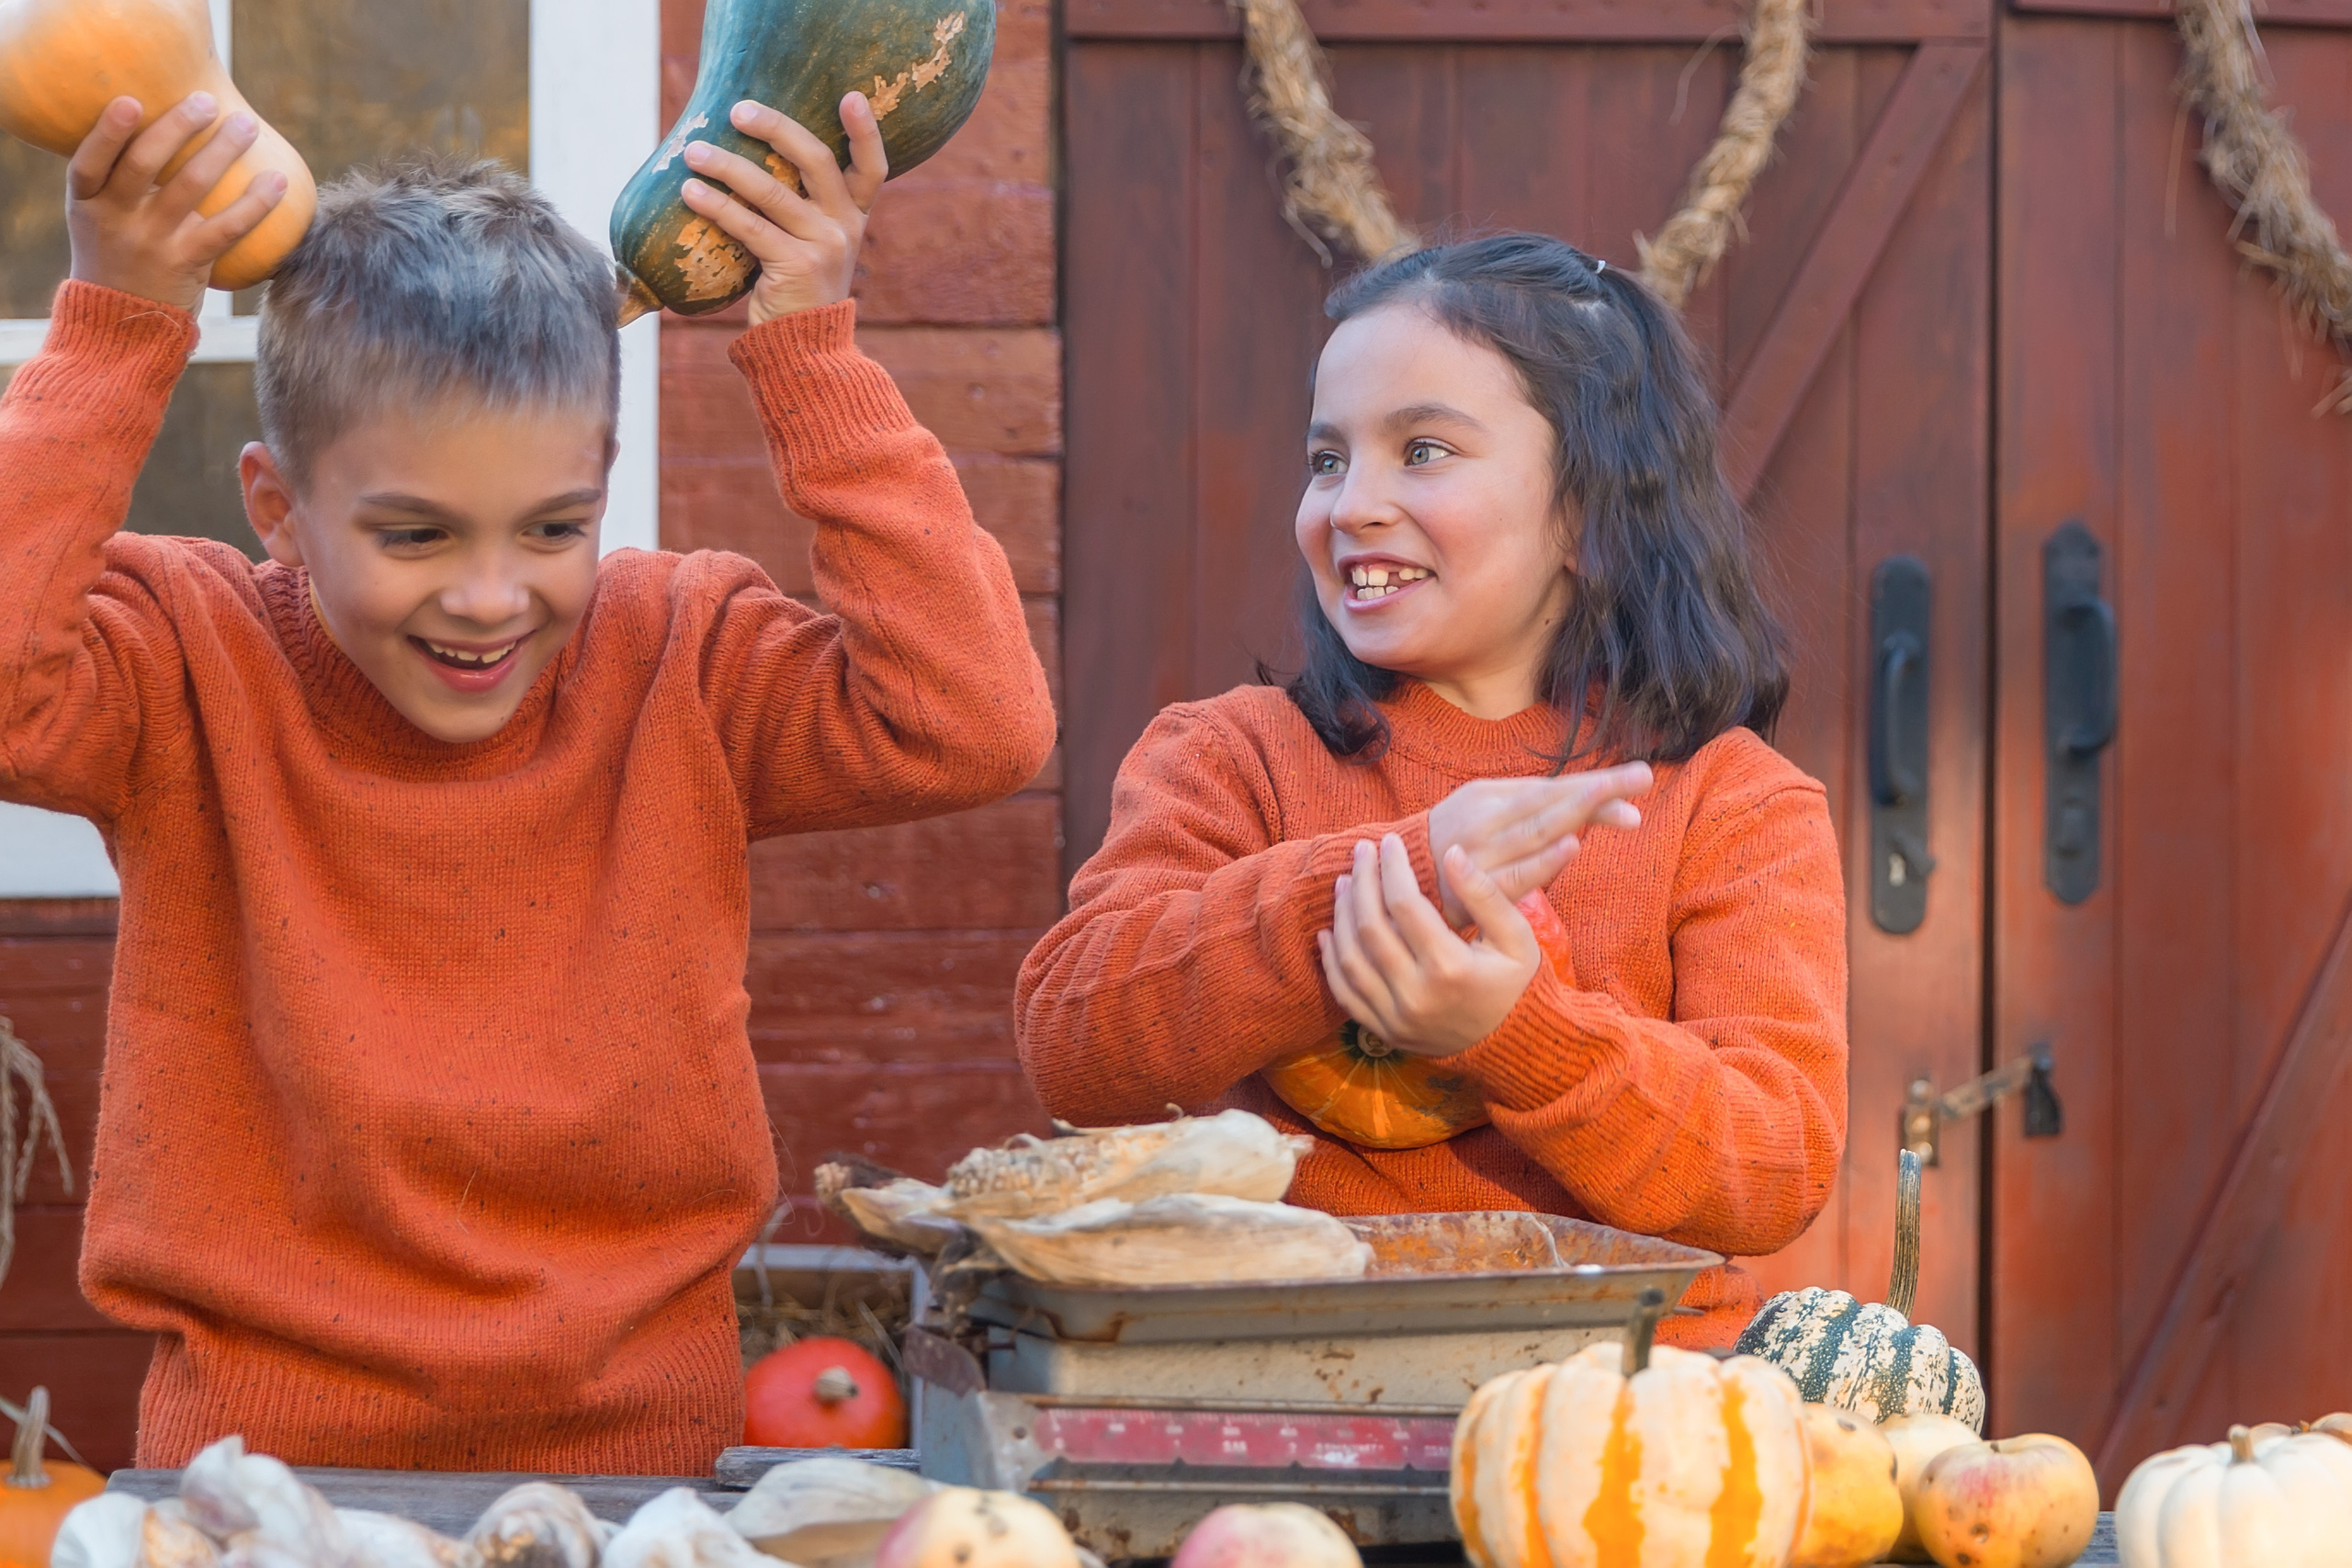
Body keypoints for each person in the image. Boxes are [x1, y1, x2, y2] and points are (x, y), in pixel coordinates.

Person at [0, 88, 1054, 1468]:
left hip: (636, 1464)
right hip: (261, 1469)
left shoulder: (682, 656)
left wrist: (812, 351)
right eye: (417, 535)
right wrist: (116, 329)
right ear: (277, 507)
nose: (491, 597)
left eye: (554, 528)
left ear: (604, 484)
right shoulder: (184, 660)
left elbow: (973, 720)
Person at [1016, 234, 1846, 1347]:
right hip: (1290, 1374)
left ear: (1589, 514)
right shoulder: (1231, 757)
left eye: (1421, 450)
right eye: (1326, 459)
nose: (1352, 503)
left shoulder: (1733, 803)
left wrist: (1515, 1034)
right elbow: (1074, 1042)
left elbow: (1772, 1168)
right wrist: (1390, 881)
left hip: (1625, 1398)